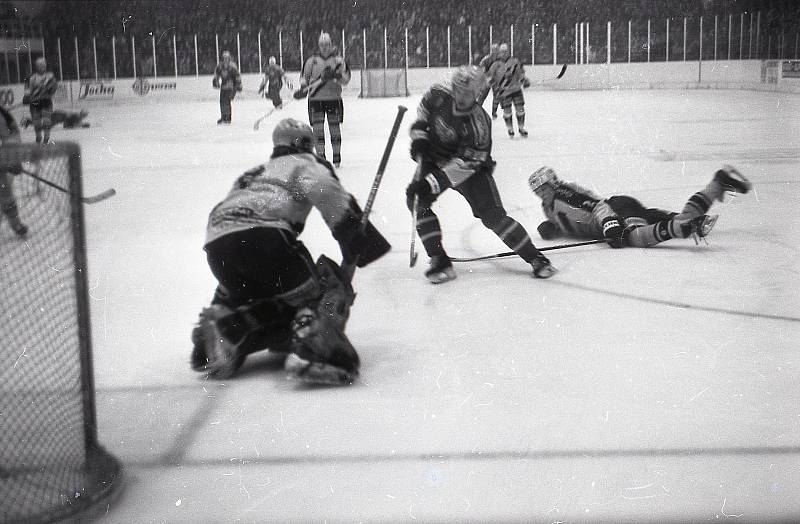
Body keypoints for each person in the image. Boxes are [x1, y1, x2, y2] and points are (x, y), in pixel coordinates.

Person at [190, 118, 390, 385]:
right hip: (267, 239)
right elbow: (327, 192)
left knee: (269, 297)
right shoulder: (304, 164)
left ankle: (229, 327)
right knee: (326, 287)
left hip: (217, 246)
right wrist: (356, 238)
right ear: (304, 143)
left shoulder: (255, 172)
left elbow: (233, 217)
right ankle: (316, 346)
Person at [406, 66, 557, 284]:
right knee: (416, 201)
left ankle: (535, 258)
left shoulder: (479, 124)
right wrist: (419, 136)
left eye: (469, 93)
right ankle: (439, 259)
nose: (462, 96)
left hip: (471, 170)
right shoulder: (439, 94)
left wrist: (430, 183)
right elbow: (424, 110)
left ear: (478, 93)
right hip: (434, 158)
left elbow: (464, 166)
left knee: (493, 216)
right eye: (459, 90)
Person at [527, 164, 752, 248]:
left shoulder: (562, 193)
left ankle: (688, 228)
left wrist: (610, 224)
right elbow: (569, 220)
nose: (539, 193)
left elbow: (596, 206)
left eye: (542, 188)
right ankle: (717, 183)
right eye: (537, 190)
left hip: (619, 209)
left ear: (551, 184)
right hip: (623, 207)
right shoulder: (549, 206)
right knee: (681, 217)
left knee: (632, 237)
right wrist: (551, 228)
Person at [299, 32, 350, 167]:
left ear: (331, 45)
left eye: (327, 44)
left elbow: (346, 80)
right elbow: (304, 77)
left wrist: (337, 76)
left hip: (333, 98)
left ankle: (337, 158)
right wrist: (303, 87)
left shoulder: (338, 61)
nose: (325, 47)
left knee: (335, 129)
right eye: (322, 45)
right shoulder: (311, 61)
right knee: (318, 130)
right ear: (318, 46)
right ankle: (321, 158)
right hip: (315, 100)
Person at [487, 43, 530, 137]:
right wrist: (491, 84)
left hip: (516, 89)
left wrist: (525, 80)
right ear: (499, 52)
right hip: (504, 91)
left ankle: (521, 128)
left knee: (520, 109)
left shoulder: (515, 61)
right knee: (507, 111)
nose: (504, 53)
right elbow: (490, 77)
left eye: (506, 51)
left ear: (509, 51)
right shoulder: (495, 64)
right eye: (502, 52)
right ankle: (510, 129)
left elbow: (521, 73)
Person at [0, 106, 27, 239]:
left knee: (5, 194)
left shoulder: (2, 117)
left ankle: (16, 223)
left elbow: (12, 140)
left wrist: (13, 161)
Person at [23, 57, 58, 144]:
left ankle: (46, 139)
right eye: (39, 65)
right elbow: (27, 91)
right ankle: (38, 137)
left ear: (45, 65)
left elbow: (54, 88)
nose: (42, 66)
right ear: (36, 66)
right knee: (37, 123)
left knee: (47, 121)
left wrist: (48, 94)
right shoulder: (30, 77)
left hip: (46, 102)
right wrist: (27, 98)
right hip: (35, 103)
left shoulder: (51, 76)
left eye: (43, 64)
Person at [212, 50, 242, 124]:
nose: (225, 59)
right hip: (223, 87)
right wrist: (216, 82)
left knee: (227, 102)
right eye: (224, 58)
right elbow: (216, 76)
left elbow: (237, 76)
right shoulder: (220, 66)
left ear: (229, 58)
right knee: (222, 102)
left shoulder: (232, 66)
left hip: (231, 87)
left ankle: (228, 118)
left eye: (227, 58)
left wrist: (238, 85)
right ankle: (223, 116)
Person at [478, 43, 500, 119]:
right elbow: (481, 69)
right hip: (486, 80)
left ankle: (494, 113)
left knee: (497, 96)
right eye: (493, 50)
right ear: (491, 50)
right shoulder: (486, 59)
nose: (494, 52)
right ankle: (477, 111)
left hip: (496, 80)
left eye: (496, 50)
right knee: (482, 96)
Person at [21, 109, 89, 130]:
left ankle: (28, 121)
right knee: (45, 127)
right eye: (84, 115)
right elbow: (66, 125)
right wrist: (82, 125)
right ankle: (28, 121)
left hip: (58, 115)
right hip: (58, 117)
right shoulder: (77, 117)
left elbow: (71, 123)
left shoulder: (77, 116)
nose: (84, 117)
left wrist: (82, 125)